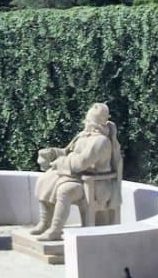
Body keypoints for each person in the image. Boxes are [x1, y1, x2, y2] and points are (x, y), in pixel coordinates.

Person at [31, 103, 120, 240]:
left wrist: (59, 162)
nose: (86, 122)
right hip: (79, 177)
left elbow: (81, 163)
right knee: (45, 180)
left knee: (65, 191)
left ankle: (55, 230)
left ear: (94, 122)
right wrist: (51, 153)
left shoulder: (100, 142)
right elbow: (68, 152)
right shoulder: (84, 136)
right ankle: (45, 223)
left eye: (88, 120)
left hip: (96, 184)